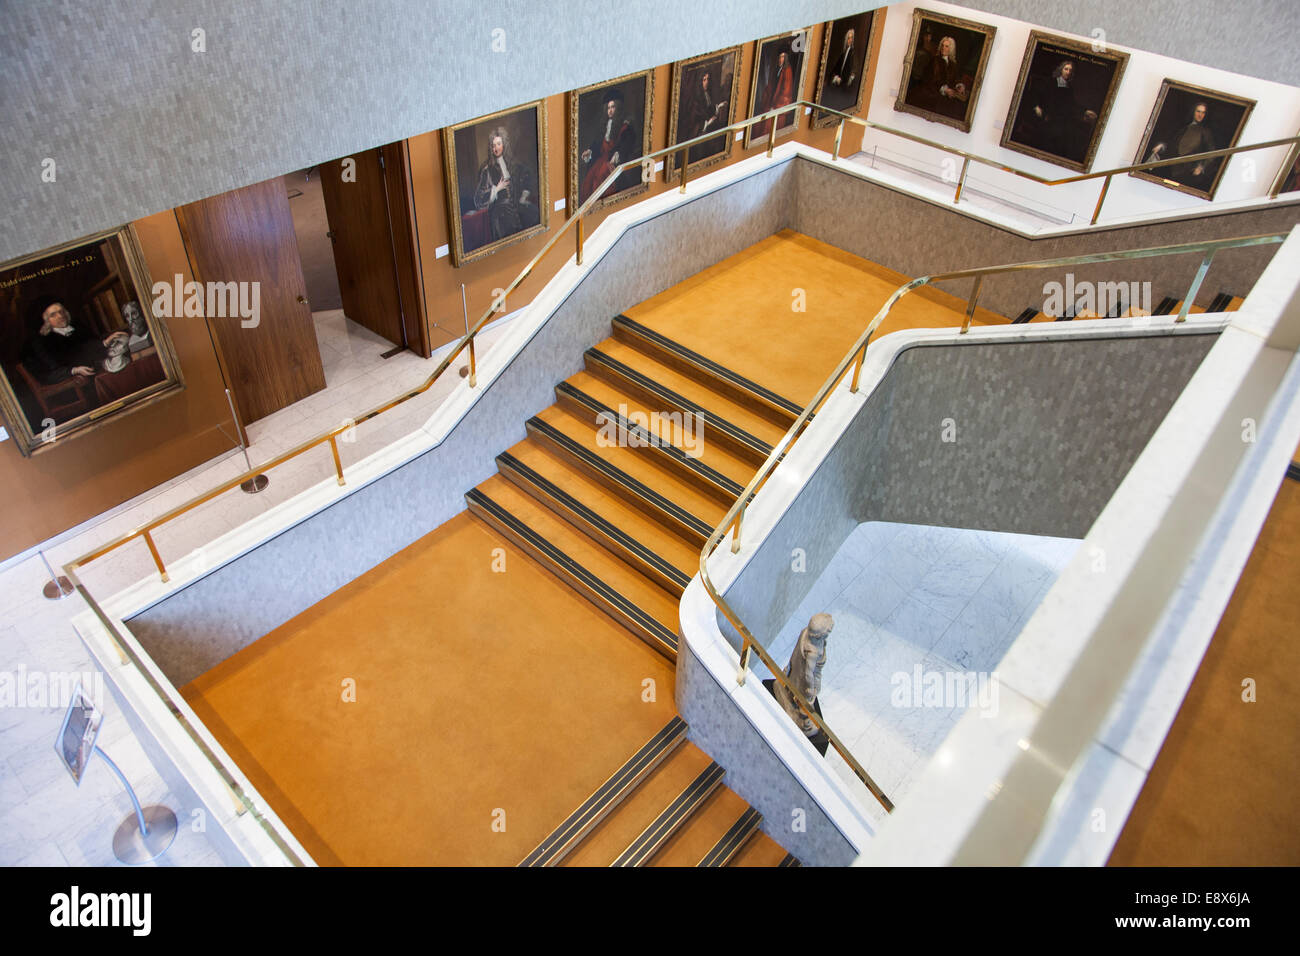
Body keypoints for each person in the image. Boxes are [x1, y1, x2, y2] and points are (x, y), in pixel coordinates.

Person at [1016, 59, 1098, 163]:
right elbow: (1035, 95)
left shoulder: (1068, 88)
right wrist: (1036, 107)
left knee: (1076, 131)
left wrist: (1085, 111)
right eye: (1066, 69)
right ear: (1061, 70)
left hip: (1060, 117)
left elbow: (1072, 105)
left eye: (1070, 70)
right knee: (1062, 133)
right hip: (1047, 116)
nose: (1068, 72)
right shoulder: (1050, 82)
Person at [473, 127, 539, 243]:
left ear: (504, 144)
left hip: (515, 209)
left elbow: (527, 175)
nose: (496, 148)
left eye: (499, 144)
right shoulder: (487, 169)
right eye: (493, 146)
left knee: (534, 215)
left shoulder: (511, 165)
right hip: (499, 215)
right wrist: (496, 189)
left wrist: (523, 196)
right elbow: (478, 199)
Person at [774, 613, 834, 737]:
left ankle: (791, 697)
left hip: (796, 671)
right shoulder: (813, 651)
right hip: (809, 679)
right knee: (807, 699)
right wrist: (811, 689)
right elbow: (808, 674)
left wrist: (789, 667)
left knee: (794, 686)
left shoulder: (805, 633)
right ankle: (805, 721)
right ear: (821, 634)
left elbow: (796, 651)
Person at [579, 88, 640, 204]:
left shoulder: (625, 126)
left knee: (602, 175)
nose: (610, 110)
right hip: (602, 159)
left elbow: (626, 145)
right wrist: (590, 151)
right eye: (608, 108)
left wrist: (617, 155)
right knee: (589, 180)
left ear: (618, 107)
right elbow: (597, 144)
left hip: (612, 160)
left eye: (613, 107)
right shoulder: (604, 125)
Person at [21, 300, 101, 384]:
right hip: (74, 383)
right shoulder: (42, 342)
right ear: (46, 321)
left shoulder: (77, 327)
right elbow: (50, 371)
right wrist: (74, 370)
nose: (60, 316)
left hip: (97, 366)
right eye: (53, 315)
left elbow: (92, 344)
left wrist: (105, 343)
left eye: (61, 311)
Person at [1146, 102, 1218, 188]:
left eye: (1203, 112)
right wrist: (1162, 146)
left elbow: (1211, 152)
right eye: (1198, 111)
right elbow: (1173, 143)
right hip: (1169, 165)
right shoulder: (1184, 126)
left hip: (1186, 170)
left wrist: (1201, 166)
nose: (1200, 115)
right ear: (1193, 112)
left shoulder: (1205, 132)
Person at [910, 35, 970, 120]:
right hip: (932, 91)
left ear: (951, 49)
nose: (943, 48)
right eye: (942, 45)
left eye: (946, 46)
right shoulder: (934, 60)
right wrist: (944, 89)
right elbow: (928, 79)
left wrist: (959, 86)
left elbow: (954, 80)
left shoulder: (953, 64)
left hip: (947, 94)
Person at [684, 68, 728, 161]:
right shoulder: (696, 99)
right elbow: (696, 118)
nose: (706, 82)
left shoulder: (707, 94)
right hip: (698, 131)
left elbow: (709, 110)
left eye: (708, 79)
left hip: (707, 128)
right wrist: (707, 122)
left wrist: (719, 106)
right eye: (704, 80)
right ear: (700, 81)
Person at [754, 49, 796, 141]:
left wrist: (776, 105)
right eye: (780, 57)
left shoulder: (787, 70)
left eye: (783, 57)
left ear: (786, 58)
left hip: (779, 104)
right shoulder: (777, 69)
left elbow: (786, 90)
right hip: (771, 100)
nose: (781, 59)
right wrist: (766, 98)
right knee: (760, 123)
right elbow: (771, 84)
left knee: (770, 124)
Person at [821, 25, 858, 113]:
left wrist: (847, 80)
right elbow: (836, 67)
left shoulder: (853, 54)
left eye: (851, 38)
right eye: (848, 38)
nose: (850, 40)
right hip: (838, 83)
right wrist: (835, 77)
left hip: (844, 87)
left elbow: (853, 71)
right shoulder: (844, 53)